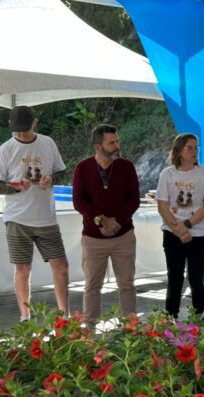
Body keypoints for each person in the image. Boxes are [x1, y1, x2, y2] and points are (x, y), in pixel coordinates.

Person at [0, 106, 68, 320]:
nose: (21, 134)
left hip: (46, 217)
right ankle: (25, 317)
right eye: (17, 130)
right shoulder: (6, 148)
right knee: (22, 269)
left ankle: (65, 316)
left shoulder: (48, 143)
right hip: (17, 219)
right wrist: (15, 186)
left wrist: (51, 179)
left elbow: (62, 172)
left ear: (35, 123)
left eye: (25, 129)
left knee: (61, 266)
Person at [72, 124, 140, 327]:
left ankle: (132, 330)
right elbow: (79, 201)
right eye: (112, 143)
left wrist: (117, 222)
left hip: (123, 236)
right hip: (94, 238)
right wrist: (102, 220)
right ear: (98, 147)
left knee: (127, 284)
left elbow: (134, 199)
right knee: (92, 286)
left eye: (117, 141)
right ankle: (90, 333)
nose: (117, 146)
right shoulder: (83, 168)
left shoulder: (126, 167)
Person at [156, 134, 204, 318]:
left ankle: (201, 320)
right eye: (189, 148)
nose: (194, 151)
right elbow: (162, 206)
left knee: (196, 280)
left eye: (196, 147)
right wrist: (177, 229)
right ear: (179, 151)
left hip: (199, 236)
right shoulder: (167, 174)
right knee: (174, 279)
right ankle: (170, 321)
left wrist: (187, 225)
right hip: (172, 234)